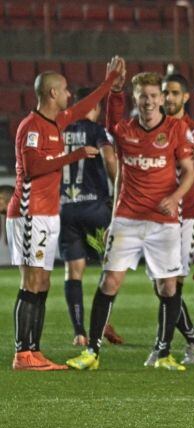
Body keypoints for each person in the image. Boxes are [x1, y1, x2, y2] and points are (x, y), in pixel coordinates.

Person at [66, 68, 194, 371]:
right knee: (109, 281)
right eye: (142, 97)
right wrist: (113, 218)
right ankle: (92, 352)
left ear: (161, 98)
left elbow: (189, 171)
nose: (148, 102)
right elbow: (119, 173)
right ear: (135, 99)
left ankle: (163, 352)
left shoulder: (176, 129)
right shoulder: (123, 130)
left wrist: (175, 197)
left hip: (163, 222)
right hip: (127, 218)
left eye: (153, 96)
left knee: (168, 287)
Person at [9, 58, 122, 370]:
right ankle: (23, 353)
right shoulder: (31, 127)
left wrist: (109, 82)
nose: (70, 95)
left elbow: (85, 105)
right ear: (52, 93)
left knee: (43, 282)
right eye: (66, 90)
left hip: (48, 212)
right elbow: (32, 168)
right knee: (31, 282)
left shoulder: (57, 122)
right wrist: (75, 155)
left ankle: (34, 351)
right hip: (29, 212)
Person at [138, 73, 194, 366]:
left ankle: (162, 346)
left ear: (186, 97)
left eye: (175, 93)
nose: (168, 98)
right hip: (157, 217)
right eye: (165, 92)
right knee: (160, 285)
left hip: (189, 216)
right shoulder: (151, 128)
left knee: (172, 284)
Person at [59, 87, 119, 347]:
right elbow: (109, 159)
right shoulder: (97, 131)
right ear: (95, 107)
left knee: (73, 271)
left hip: (66, 209)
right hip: (95, 209)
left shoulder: (59, 130)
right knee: (112, 267)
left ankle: (79, 332)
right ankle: (103, 320)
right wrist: (118, 189)